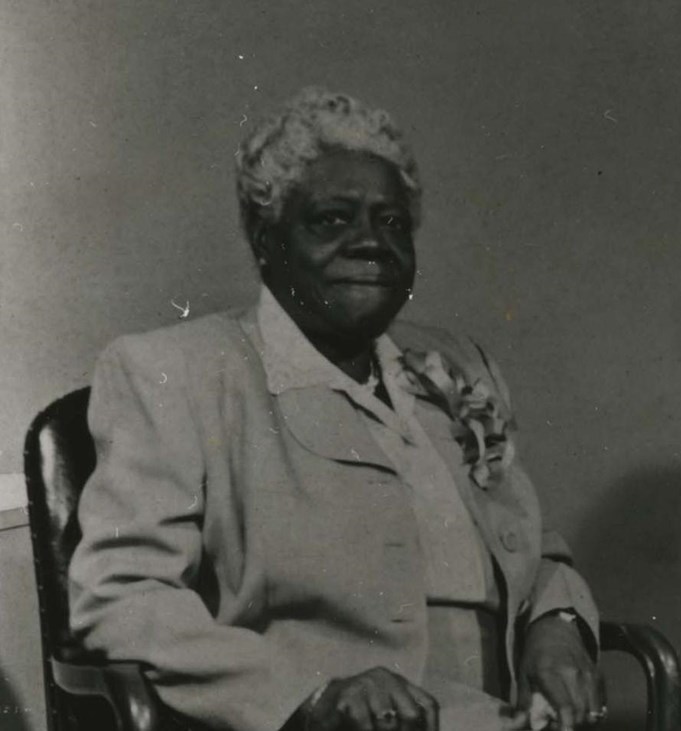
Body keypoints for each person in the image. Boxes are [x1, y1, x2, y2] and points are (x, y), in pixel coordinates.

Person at [68, 88, 604, 731]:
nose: (370, 242)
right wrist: (309, 693)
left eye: (391, 222)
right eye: (332, 219)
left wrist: (559, 623)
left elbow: (534, 547)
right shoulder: (177, 372)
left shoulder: (458, 365)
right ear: (267, 241)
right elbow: (122, 597)